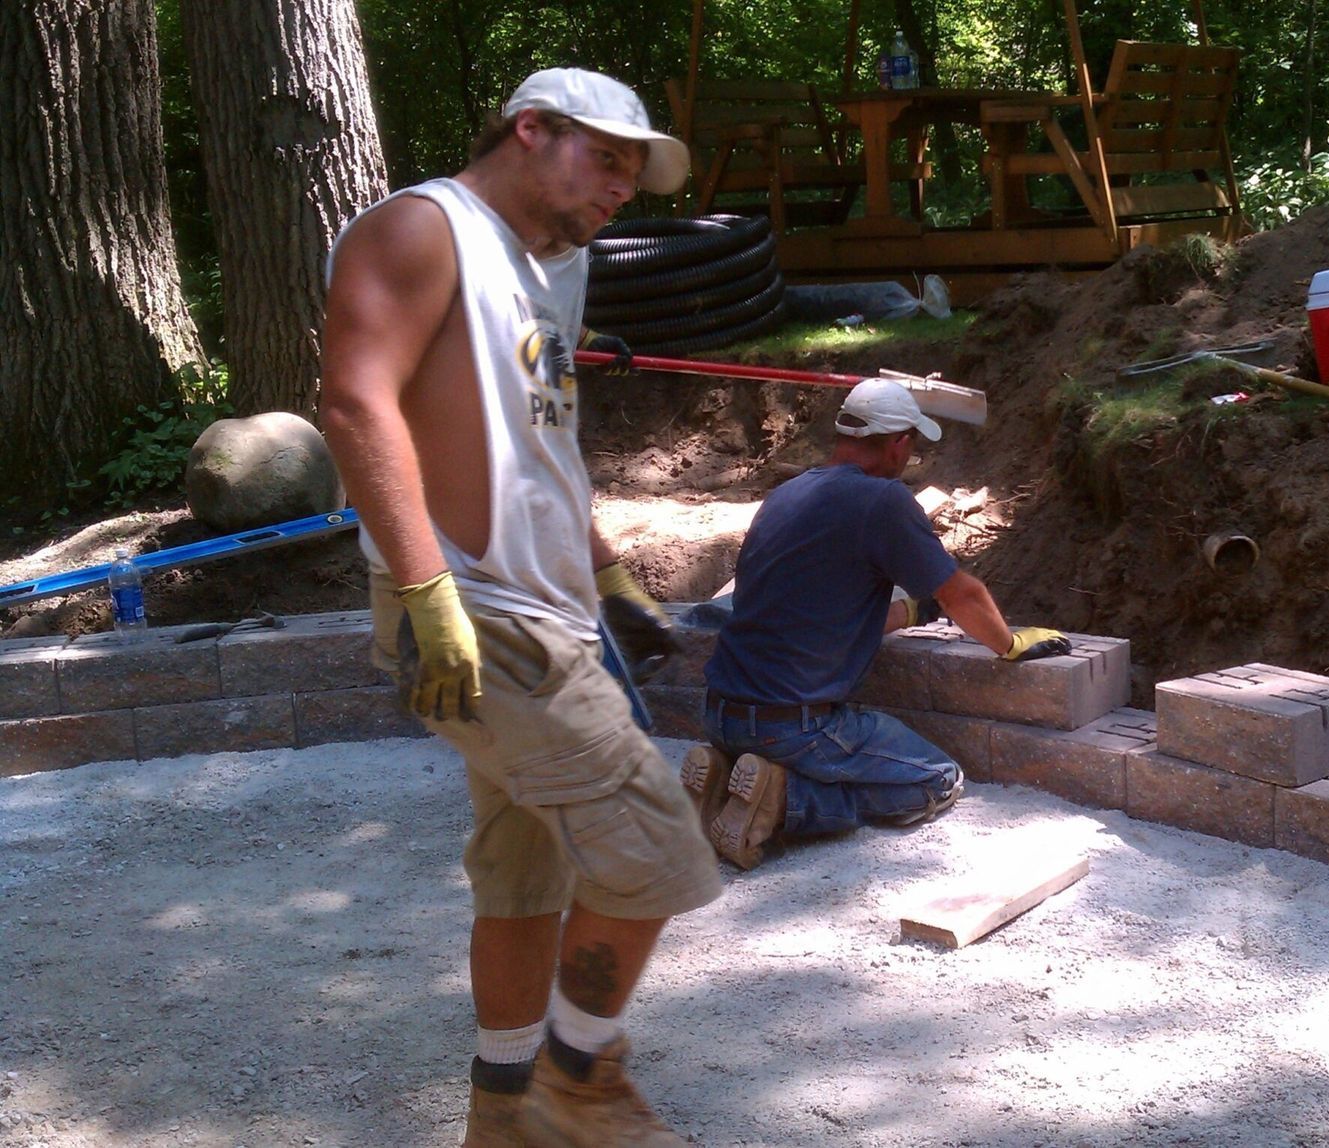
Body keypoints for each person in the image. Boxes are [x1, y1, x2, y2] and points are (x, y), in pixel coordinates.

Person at [317, 67, 721, 1148]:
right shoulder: (422, 229)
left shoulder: (557, 270)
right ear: (531, 130)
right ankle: (576, 1084)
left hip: (542, 605)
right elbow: (356, 401)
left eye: (634, 174)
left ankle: (502, 1114)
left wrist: (609, 573)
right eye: (607, 159)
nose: (620, 189)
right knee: (656, 846)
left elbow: (538, 447)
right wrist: (424, 588)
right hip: (474, 610)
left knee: (523, 872)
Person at [690, 378, 1072, 870]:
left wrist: (914, 612)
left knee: (816, 752)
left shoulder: (786, 495)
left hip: (722, 712)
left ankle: (724, 779)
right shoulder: (882, 501)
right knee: (935, 780)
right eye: (912, 446)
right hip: (792, 726)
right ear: (898, 443)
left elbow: (817, 612)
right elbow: (963, 593)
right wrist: (1010, 643)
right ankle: (782, 801)